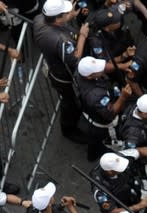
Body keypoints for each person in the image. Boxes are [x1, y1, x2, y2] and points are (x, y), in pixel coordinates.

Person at [32, 0, 87, 143]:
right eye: (66, 13)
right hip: (63, 76)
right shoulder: (61, 40)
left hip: (51, 64)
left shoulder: (39, 20)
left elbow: (56, 22)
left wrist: (68, 16)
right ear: (57, 18)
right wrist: (82, 36)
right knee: (70, 103)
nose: (69, 13)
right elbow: (75, 59)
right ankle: (69, 129)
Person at [76, 56, 132, 161]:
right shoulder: (95, 95)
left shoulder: (81, 71)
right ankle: (93, 156)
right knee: (96, 139)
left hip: (93, 107)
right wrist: (123, 97)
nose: (102, 69)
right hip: (100, 123)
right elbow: (110, 113)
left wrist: (121, 66)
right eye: (98, 69)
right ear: (90, 76)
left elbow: (105, 67)